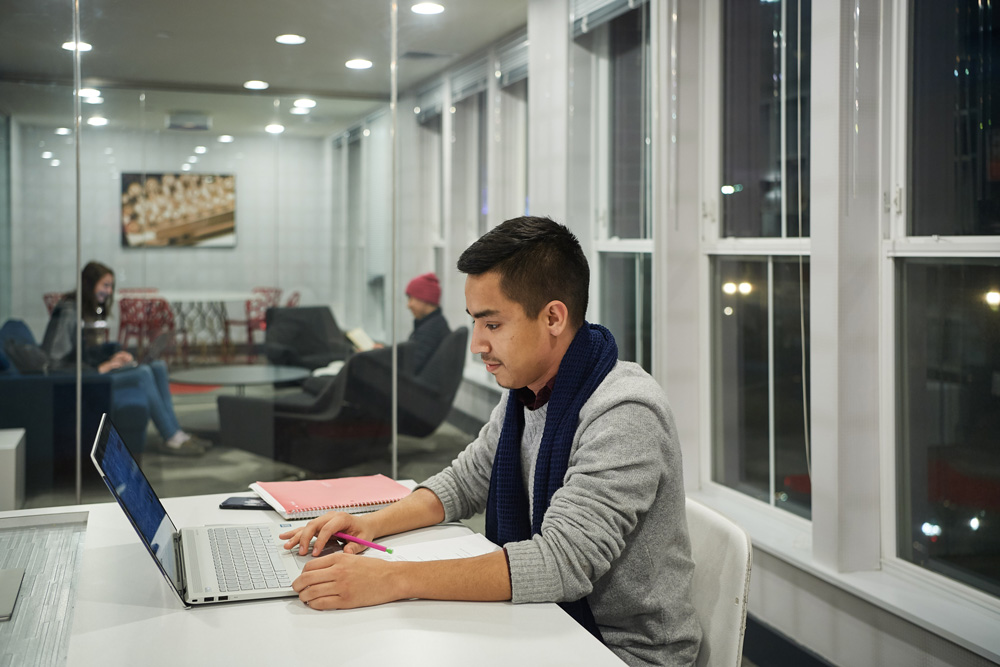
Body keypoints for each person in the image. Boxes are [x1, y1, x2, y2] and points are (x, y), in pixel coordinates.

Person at [280, 217, 702, 666]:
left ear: (553, 317)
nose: (476, 343)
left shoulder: (624, 412)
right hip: (549, 621)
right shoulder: (530, 392)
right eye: (474, 323)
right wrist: (371, 525)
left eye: (493, 324)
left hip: (621, 650)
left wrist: (392, 579)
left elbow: (560, 563)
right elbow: (466, 480)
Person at [41, 261, 209, 456]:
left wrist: (112, 356)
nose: (109, 291)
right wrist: (100, 369)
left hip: (90, 371)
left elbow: (83, 352)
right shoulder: (69, 311)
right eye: (105, 285)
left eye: (111, 286)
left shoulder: (85, 308)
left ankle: (177, 432)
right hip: (81, 379)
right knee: (143, 373)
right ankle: (171, 438)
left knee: (158, 366)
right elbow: (54, 364)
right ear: (89, 284)